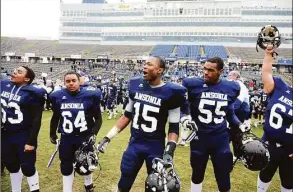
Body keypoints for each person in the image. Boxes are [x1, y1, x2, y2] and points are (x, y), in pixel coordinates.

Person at [97, 56, 187, 192]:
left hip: (155, 146)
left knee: (156, 186)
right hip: (135, 144)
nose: (144, 67)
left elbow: (174, 128)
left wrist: (169, 151)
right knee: (124, 182)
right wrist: (108, 137)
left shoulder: (172, 92)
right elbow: (126, 116)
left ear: (159, 70)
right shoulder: (136, 85)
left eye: (149, 64)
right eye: (144, 64)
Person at [181, 57, 249, 192]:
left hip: (220, 137)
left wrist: (240, 125)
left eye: (210, 70)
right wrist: (185, 117)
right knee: (197, 172)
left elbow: (230, 113)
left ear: (220, 72)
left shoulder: (232, 87)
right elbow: (183, 105)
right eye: (204, 69)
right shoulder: (192, 84)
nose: (206, 72)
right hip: (199, 137)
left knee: (223, 174)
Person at [49, 71, 102, 192]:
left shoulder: (90, 95)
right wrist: (52, 133)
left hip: (84, 137)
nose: (71, 83)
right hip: (67, 137)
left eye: (73, 81)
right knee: (66, 165)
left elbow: (98, 118)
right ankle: (67, 189)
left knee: (87, 162)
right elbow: (55, 117)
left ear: (79, 82)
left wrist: (93, 133)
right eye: (67, 81)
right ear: (64, 83)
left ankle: (88, 186)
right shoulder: (57, 96)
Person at [1, 66, 45, 192]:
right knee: (11, 165)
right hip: (5, 133)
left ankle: (35, 189)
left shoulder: (34, 92)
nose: (14, 71)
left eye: (19, 72)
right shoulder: (4, 84)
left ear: (27, 78)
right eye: (15, 70)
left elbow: (37, 119)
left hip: (23, 133)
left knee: (27, 166)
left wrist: (31, 141)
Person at [257, 45, 293, 192]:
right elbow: (266, 73)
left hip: (290, 149)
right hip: (269, 143)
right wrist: (268, 54)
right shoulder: (279, 86)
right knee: (265, 174)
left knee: (288, 181)